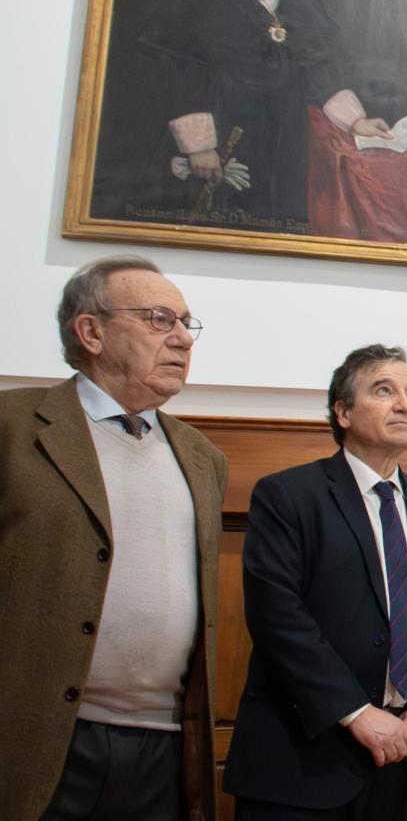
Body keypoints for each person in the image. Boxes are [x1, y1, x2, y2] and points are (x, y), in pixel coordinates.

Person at [0, 255, 227, 821]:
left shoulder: (203, 457)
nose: (181, 339)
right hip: (34, 736)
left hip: (166, 747)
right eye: (158, 319)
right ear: (92, 331)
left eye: (185, 323)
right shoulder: (12, 427)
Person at [223, 345, 407, 819]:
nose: (405, 404)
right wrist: (356, 713)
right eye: (385, 390)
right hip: (304, 760)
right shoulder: (288, 496)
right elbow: (277, 616)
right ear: (343, 411)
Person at [128, 0, 394, 228]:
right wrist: (199, 147)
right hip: (227, 134)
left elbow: (320, 67)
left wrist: (357, 121)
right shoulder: (200, 1)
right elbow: (182, 73)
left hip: (289, 138)